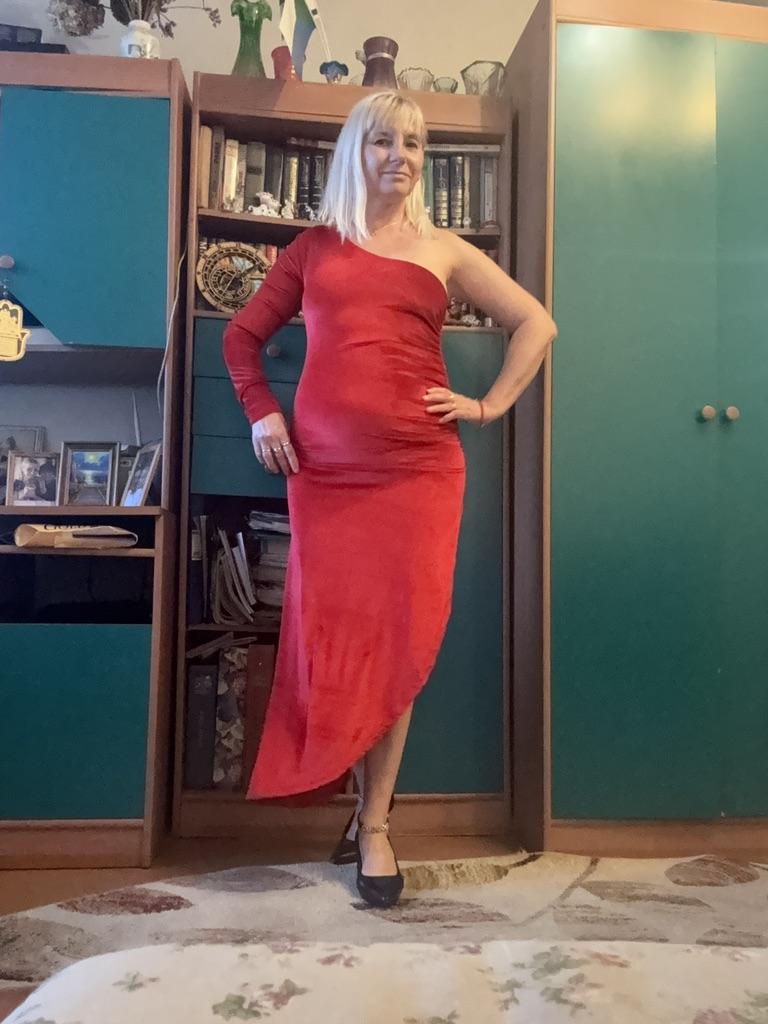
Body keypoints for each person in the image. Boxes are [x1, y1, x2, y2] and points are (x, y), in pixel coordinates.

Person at [223, 90, 557, 909]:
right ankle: (352, 806)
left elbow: (536, 324)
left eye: (412, 143)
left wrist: (488, 405)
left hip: (418, 472)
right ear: (355, 152)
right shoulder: (313, 248)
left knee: (399, 642)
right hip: (326, 478)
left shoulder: (444, 249)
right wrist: (263, 412)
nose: (400, 156)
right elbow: (241, 337)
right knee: (337, 639)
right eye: (383, 141)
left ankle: (374, 824)